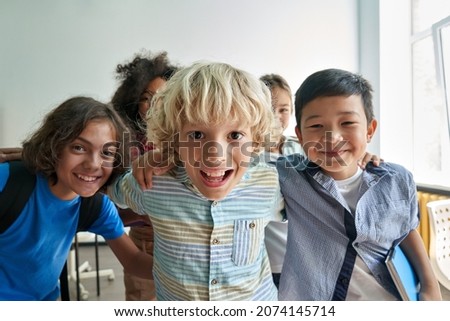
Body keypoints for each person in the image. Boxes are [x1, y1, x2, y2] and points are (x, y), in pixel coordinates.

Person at [107, 61, 283, 300]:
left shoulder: (270, 182)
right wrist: (140, 163)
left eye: (235, 135)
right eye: (197, 135)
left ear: (257, 140)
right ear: (174, 139)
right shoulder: (153, 184)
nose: (215, 155)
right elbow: (108, 188)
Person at [276, 68, 442, 300]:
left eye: (347, 122)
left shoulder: (396, 178)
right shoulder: (288, 176)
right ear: (300, 135)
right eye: (316, 126)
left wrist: (430, 285)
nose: (332, 137)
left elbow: (405, 230)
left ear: (370, 130)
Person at [0, 96, 153, 300]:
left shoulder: (96, 205)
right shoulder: (8, 181)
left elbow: (133, 260)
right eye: (79, 148)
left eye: (107, 153)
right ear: (55, 145)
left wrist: (190, 271)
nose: (93, 164)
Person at [110, 50, 178, 301]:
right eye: (146, 98)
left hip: (186, 237)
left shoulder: (188, 140)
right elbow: (114, 198)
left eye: (163, 98)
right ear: (133, 102)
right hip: (146, 238)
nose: (154, 106)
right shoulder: (123, 142)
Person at [259, 73, 303, 288]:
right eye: (269, 108)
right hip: (266, 263)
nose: (276, 116)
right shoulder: (244, 155)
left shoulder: (301, 149)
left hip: (303, 258)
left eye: (284, 109)